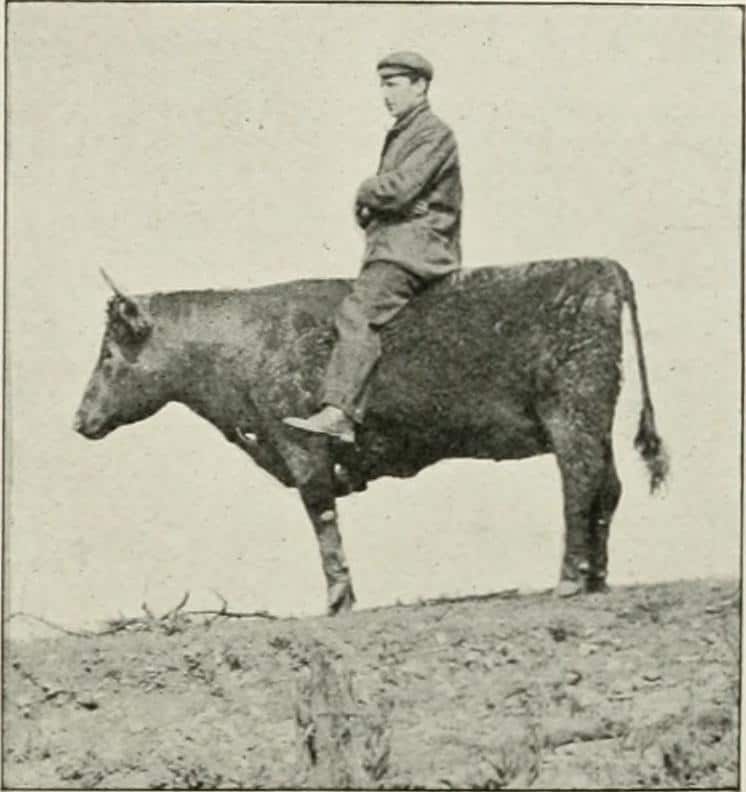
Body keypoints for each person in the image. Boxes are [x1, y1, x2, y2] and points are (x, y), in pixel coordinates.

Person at [283, 51, 463, 443]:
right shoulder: (407, 133)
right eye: (382, 84)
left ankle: (339, 413)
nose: (385, 94)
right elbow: (381, 206)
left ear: (420, 85)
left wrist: (367, 188)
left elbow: (396, 191)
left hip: (414, 251)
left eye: (394, 84)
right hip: (398, 244)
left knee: (356, 313)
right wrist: (380, 202)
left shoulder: (433, 133)